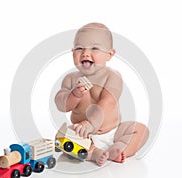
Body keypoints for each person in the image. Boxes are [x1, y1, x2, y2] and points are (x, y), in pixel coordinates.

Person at [55, 22, 149, 166]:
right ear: (72, 51)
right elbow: (61, 105)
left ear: (109, 55)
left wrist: (91, 124)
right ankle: (92, 152)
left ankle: (118, 148)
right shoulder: (71, 79)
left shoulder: (112, 76)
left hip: (113, 131)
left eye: (95, 48)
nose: (85, 53)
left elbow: (108, 102)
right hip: (83, 134)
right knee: (62, 138)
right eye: (79, 48)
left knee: (140, 130)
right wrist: (74, 95)